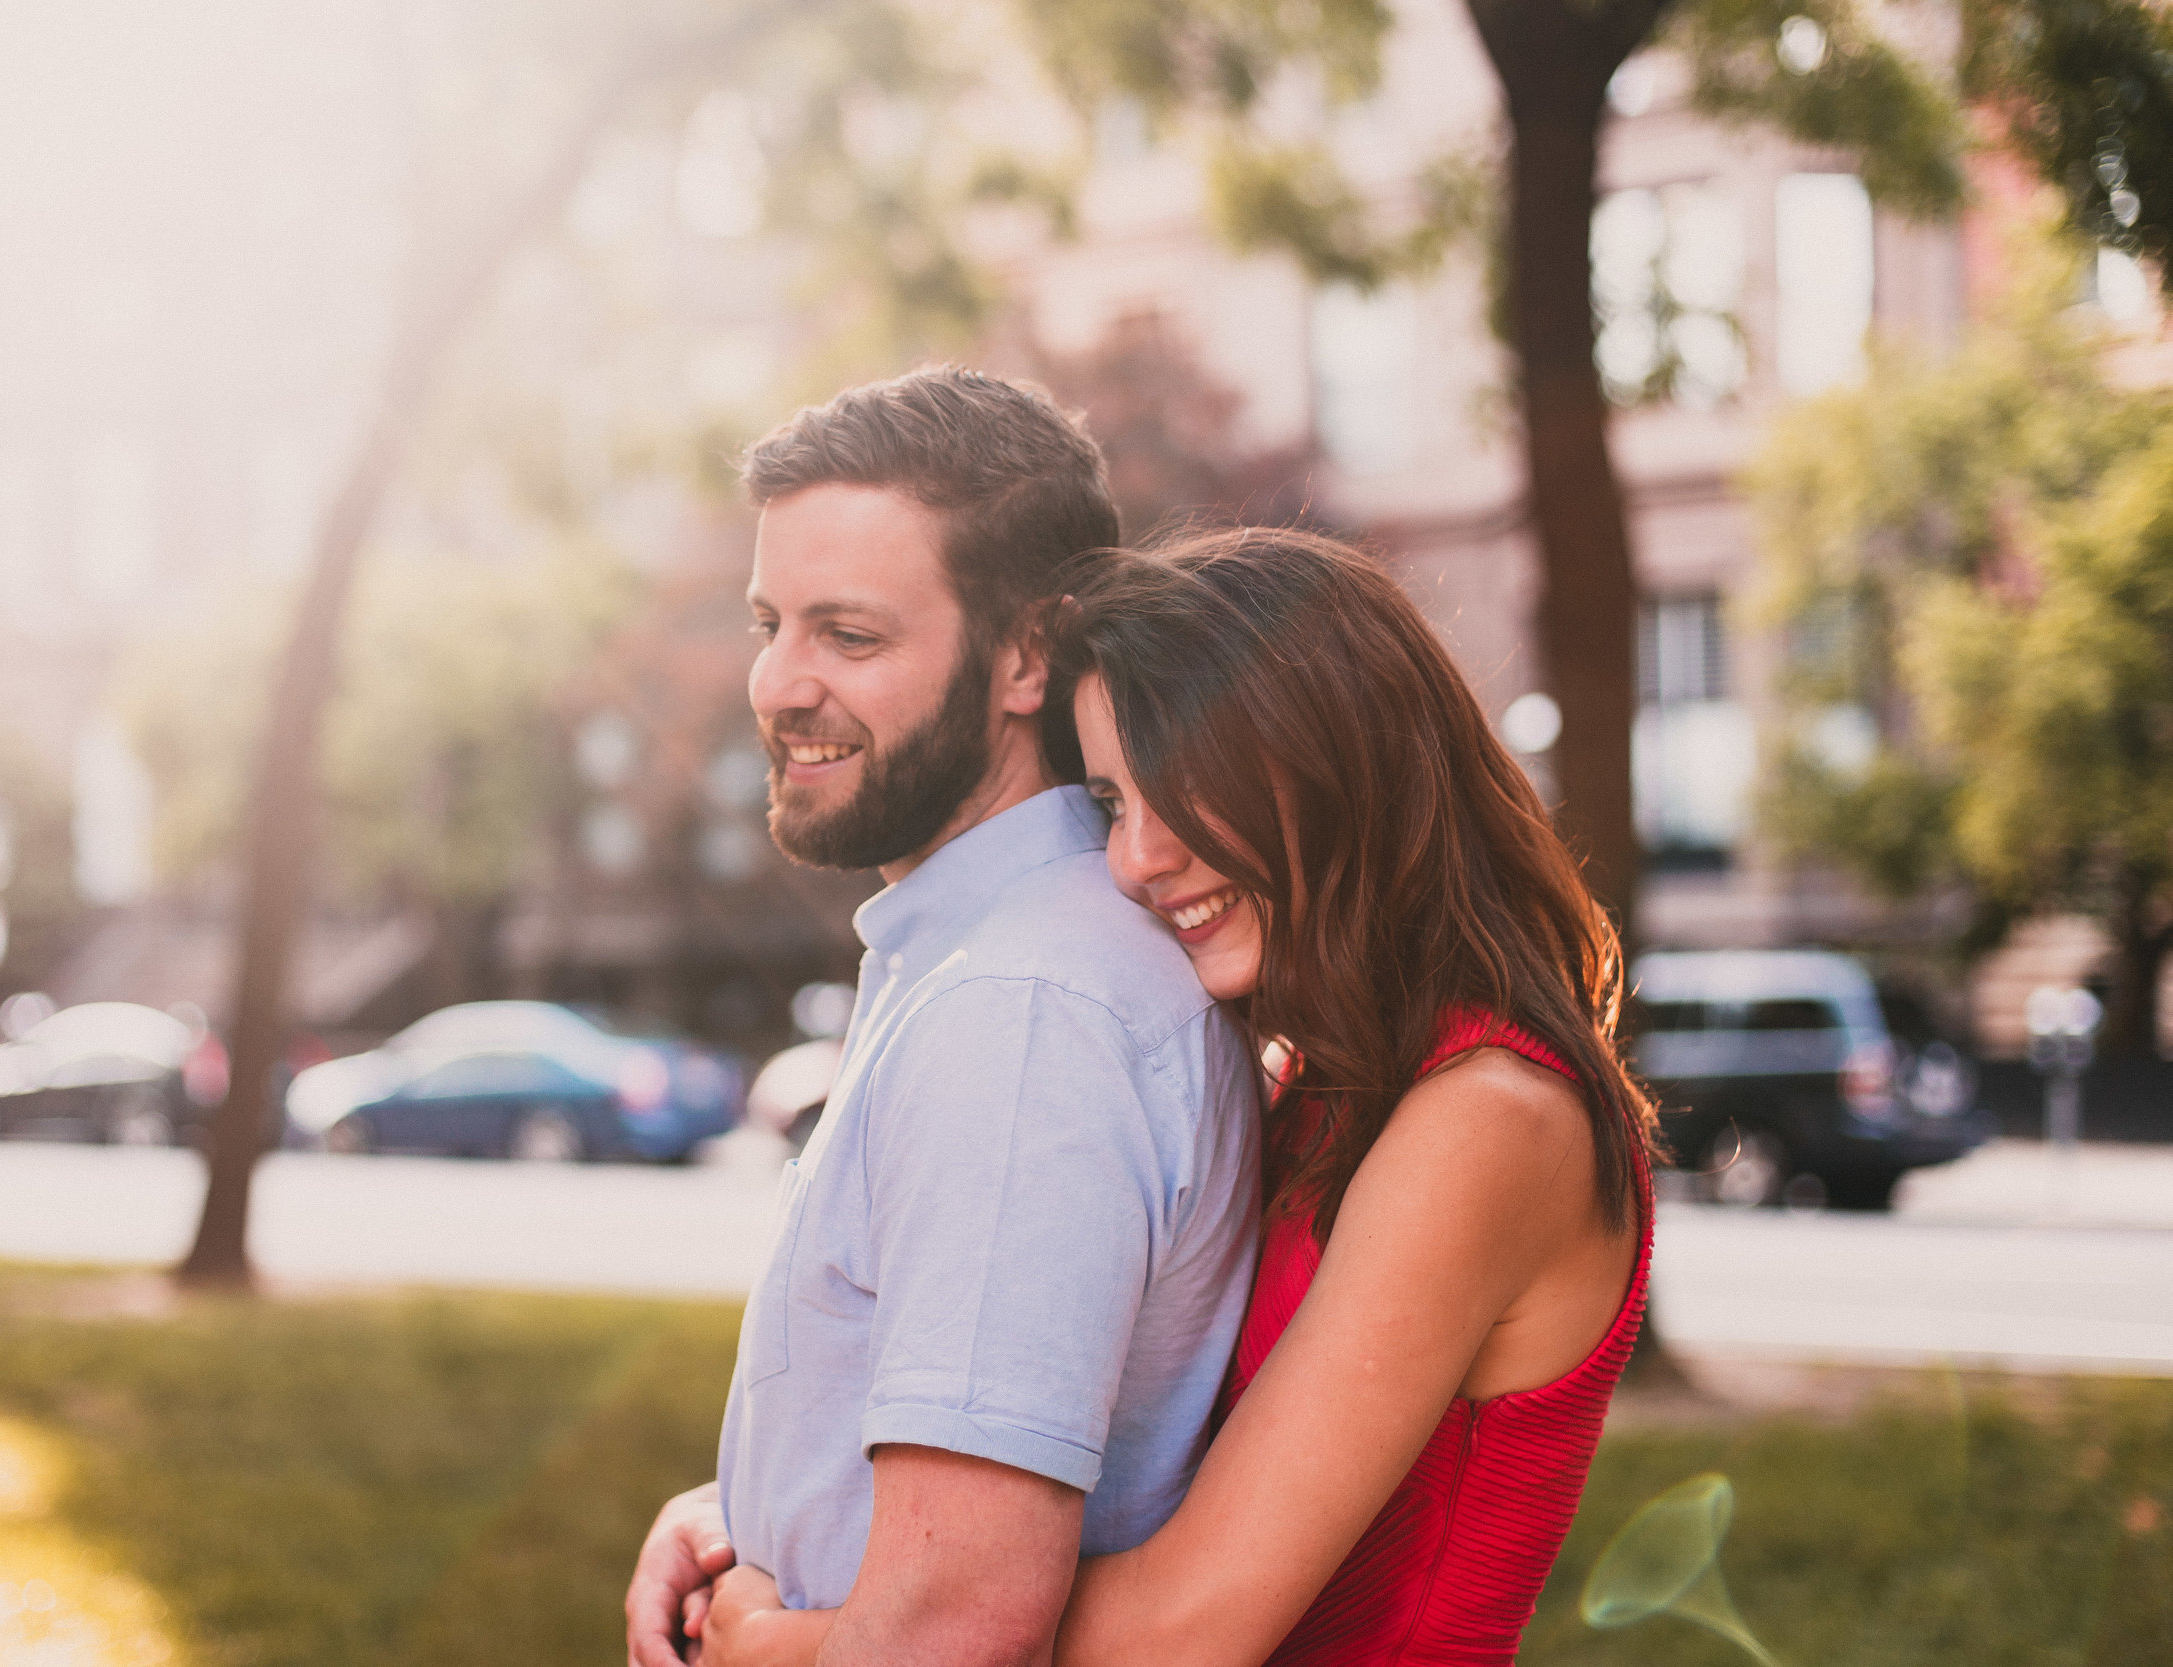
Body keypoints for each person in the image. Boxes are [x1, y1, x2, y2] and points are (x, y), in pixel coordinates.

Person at [695, 527, 1661, 1667]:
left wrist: (780, 1639)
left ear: (1345, 758)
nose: (1138, 858)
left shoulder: (1490, 1118)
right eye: (1112, 798)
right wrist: (733, 1523)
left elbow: (1181, 1630)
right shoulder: (1320, 1079)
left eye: (1190, 784)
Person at [623, 369, 1262, 1667]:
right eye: (769, 623)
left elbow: (956, 1627)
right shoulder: (980, 956)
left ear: (1029, 653)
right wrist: (742, 1512)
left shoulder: (1023, 1015)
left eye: (848, 636)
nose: (778, 687)